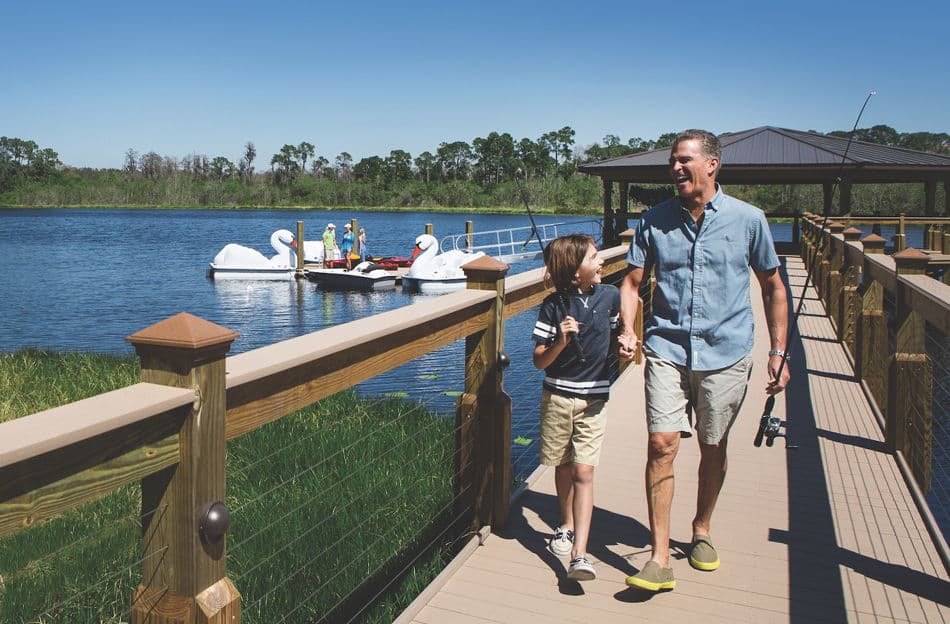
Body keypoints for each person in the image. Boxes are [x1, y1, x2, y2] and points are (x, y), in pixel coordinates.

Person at [618, 129, 790, 592]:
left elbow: (774, 288)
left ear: (711, 165)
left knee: (713, 446)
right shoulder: (654, 220)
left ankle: (701, 529)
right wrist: (628, 328)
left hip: (727, 353)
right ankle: (658, 557)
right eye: (672, 161)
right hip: (667, 349)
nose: (675, 168)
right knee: (662, 445)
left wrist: (778, 352)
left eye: (684, 160)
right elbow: (632, 283)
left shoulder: (749, 220)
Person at [533, 234, 636, 582]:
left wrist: (623, 353)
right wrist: (561, 342)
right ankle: (565, 524)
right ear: (575, 272)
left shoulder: (609, 297)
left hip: (595, 399)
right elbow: (539, 362)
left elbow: (612, 344)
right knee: (562, 467)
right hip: (558, 397)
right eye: (594, 258)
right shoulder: (552, 305)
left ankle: (580, 552)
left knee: (584, 472)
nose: (602, 262)